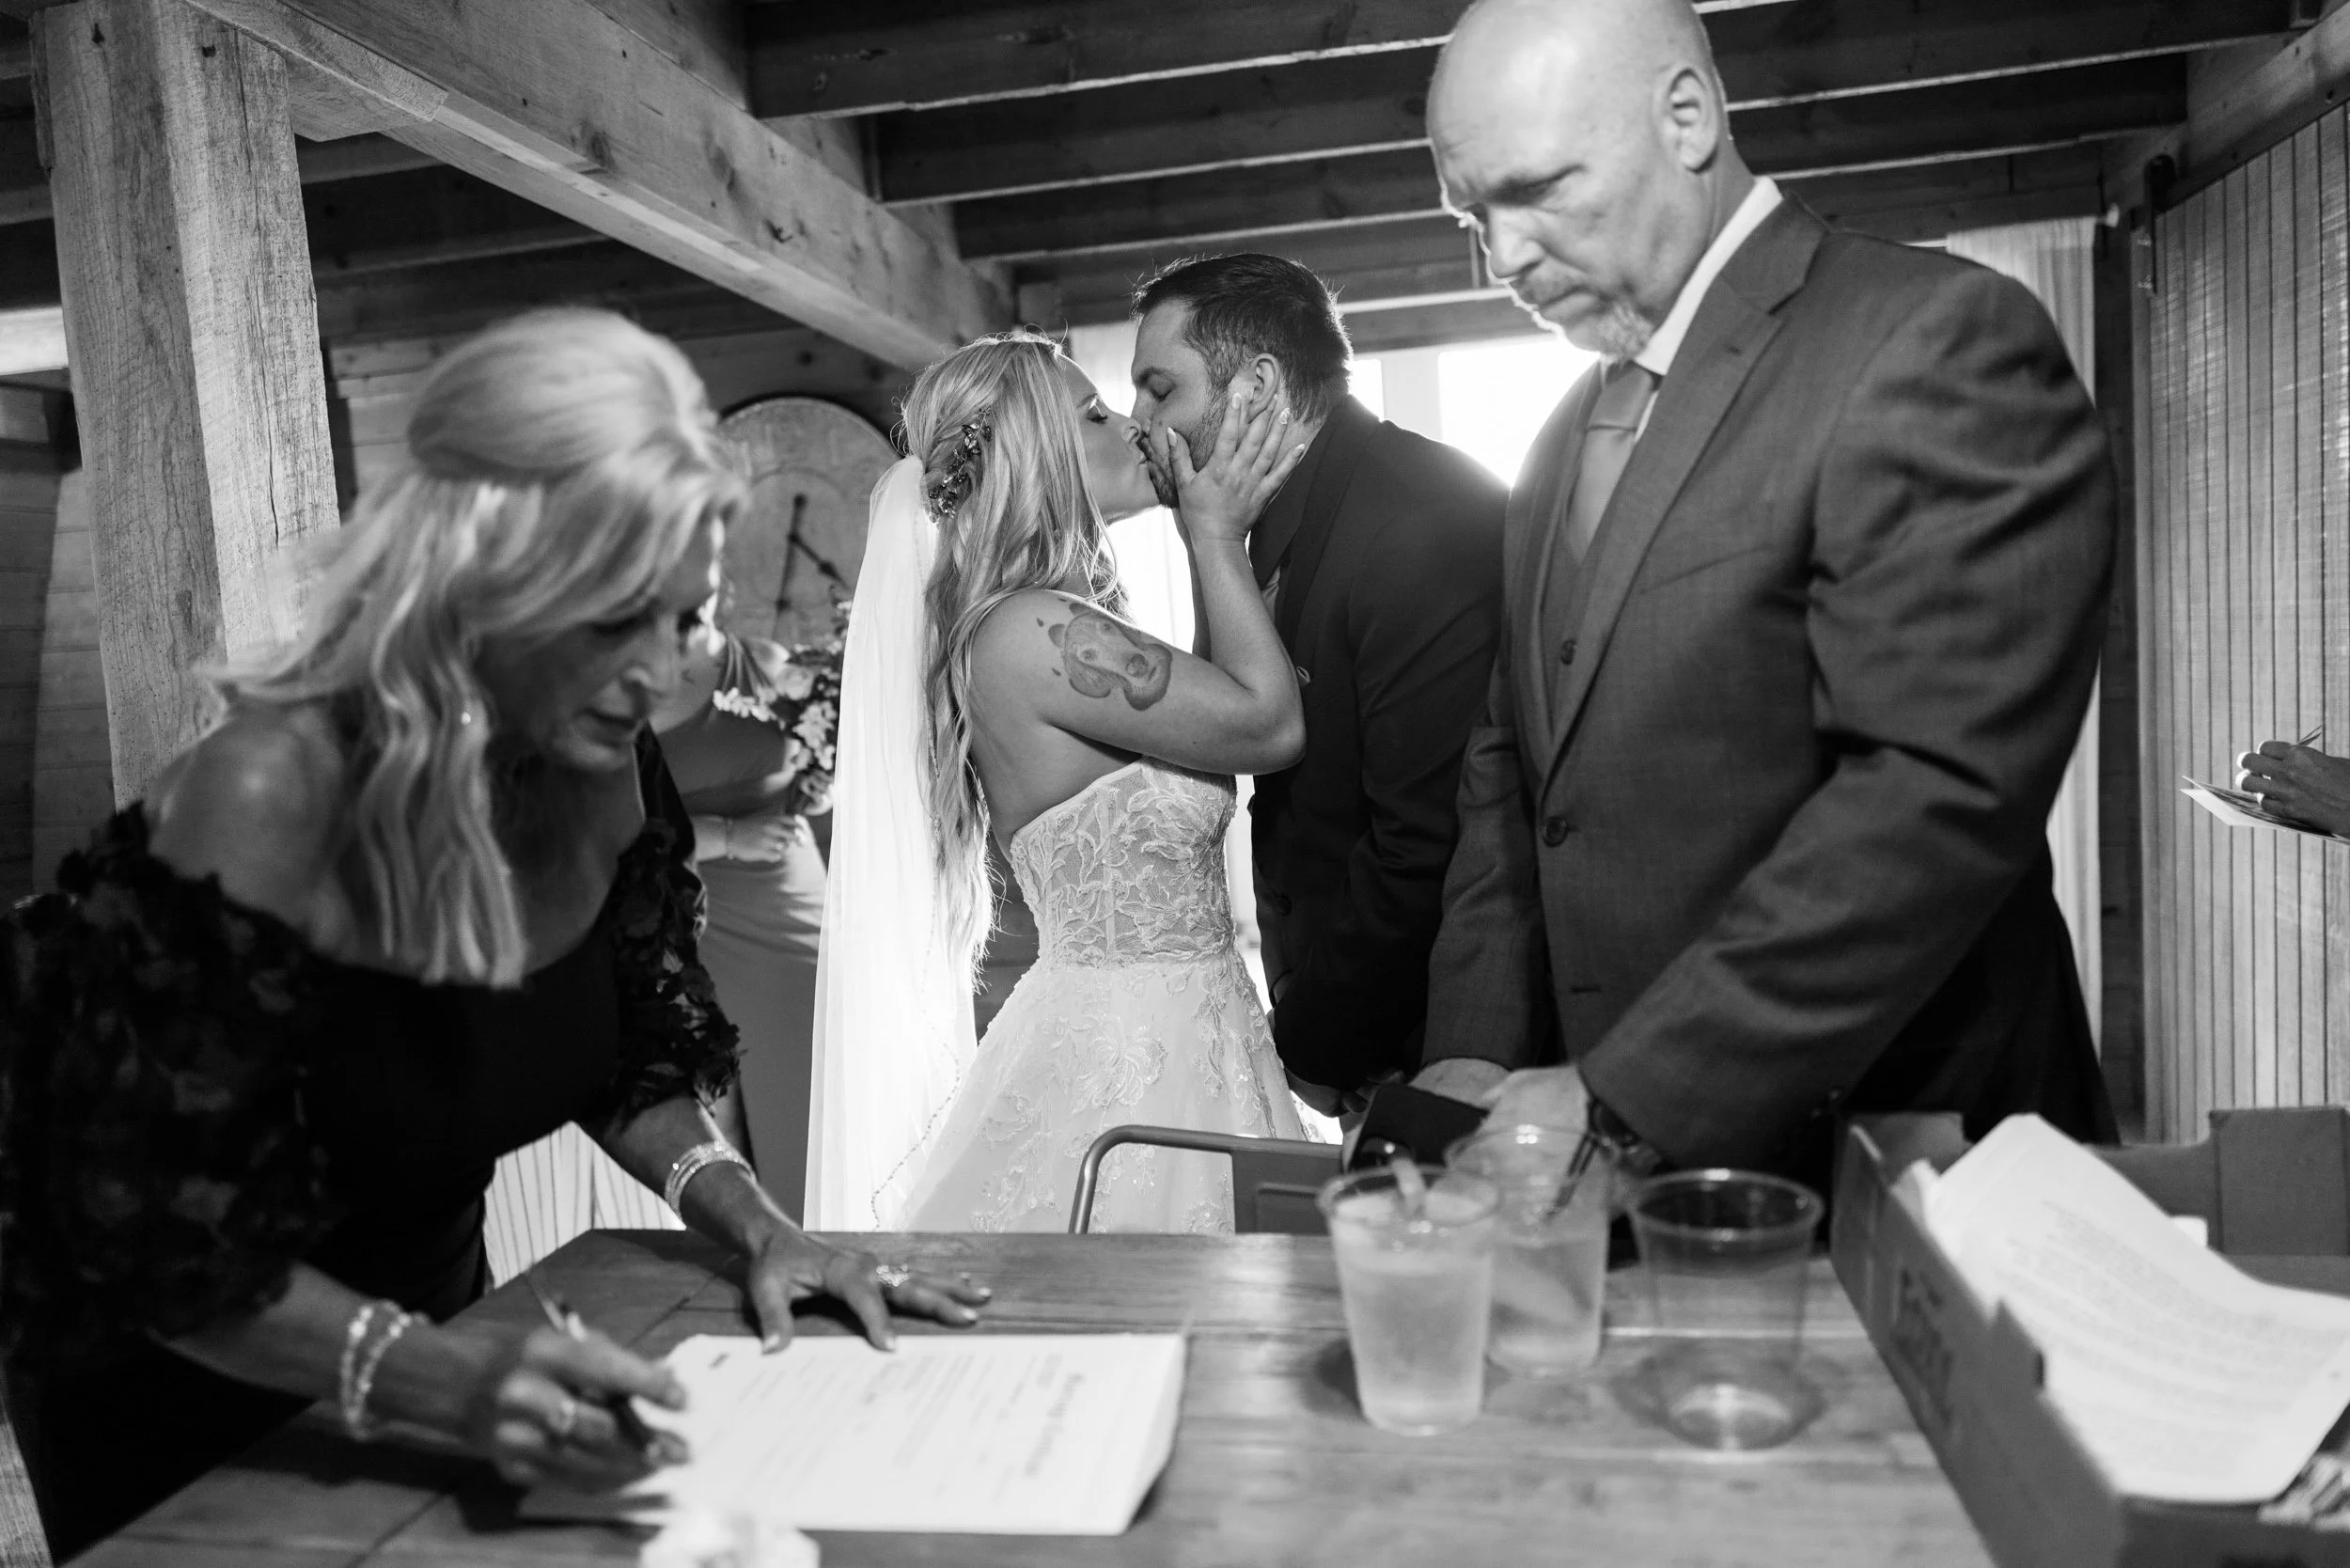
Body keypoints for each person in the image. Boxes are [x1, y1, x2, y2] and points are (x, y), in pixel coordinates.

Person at [0, 309, 987, 1560]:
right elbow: (151, 1237)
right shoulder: (267, 795)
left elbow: (628, 1046)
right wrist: (441, 1380)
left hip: (447, 1348)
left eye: (682, 619)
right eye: (608, 620)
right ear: (480, 586)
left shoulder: (603, 764)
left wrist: (756, 1223)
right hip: (191, 1398)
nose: (655, 676)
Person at [1411, 0, 2120, 1191]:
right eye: (1472, 213)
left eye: (1534, 190)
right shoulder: (1558, 438)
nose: (1503, 257)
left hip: (1908, 1173)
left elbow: (1927, 801)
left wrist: (1624, 1099)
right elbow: (1516, 776)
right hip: (1636, 1200)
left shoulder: (1929, 340)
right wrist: (1474, 1053)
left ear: (1686, 116)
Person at [811, 329, 1308, 1232]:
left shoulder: (1046, 620)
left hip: (1185, 1037)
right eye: (1093, 413)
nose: (1129, 426)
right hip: (1128, 1060)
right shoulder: (1035, 633)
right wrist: (1215, 532)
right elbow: (1267, 724)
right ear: (1033, 452)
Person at [1129, 255, 1507, 1116]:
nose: (1138, 422)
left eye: (1160, 390)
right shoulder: (1259, 517)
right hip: (1355, 1018)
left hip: (1442, 1039)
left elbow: (1428, 840)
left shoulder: (1420, 520)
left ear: (1257, 383)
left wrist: (1316, 1038)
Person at [653, 619, 834, 1219]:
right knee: (746, 1094)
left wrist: (818, 777)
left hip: (799, 900)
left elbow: (804, 770)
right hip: (702, 911)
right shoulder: (617, 681)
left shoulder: (760, 658)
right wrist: (729, 835)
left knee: (829, 1074)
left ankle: (846, 1233)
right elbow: (610, 827)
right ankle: (776, 1238)